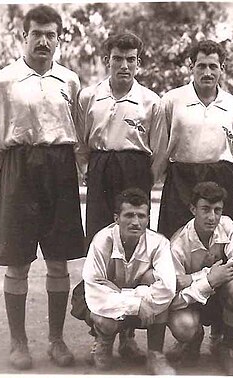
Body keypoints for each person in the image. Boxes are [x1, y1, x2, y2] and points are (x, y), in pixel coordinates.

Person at [0, 5, 84, 370]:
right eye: (36, 34)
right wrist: (12, 171)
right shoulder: (4, 80)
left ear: (59, 39)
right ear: (23, 36)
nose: (43, 41)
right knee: (18, 262)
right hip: (19, 169)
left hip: (59, 169)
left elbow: (80, 132)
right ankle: (18, 342)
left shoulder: (70, 81)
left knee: (58, 262)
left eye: (50, 35)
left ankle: (56, 340)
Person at [76, 32, 167, 247]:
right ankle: (98, 279)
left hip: (135, 169)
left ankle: (135, 280)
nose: (124, 65)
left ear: (138, 62)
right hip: (100, 167)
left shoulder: (151, 101)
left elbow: (160, 149)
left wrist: (147, 179)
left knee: (134, 231)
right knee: (99, 233)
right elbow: (80, 141)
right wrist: (87, 169)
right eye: (118, 59)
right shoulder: (90, 96)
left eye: (130, 59)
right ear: (107, 61)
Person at [82, 188, 176, 374]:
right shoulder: (102, 240)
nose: (135, 222)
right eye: (129, 215)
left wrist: (133, 300)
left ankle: (154, 354)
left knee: (153, 280)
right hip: (103, 300)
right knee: (105, 319)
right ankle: (103, 344)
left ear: (148, 219)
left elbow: (167, 289)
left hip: (132, 297)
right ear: (116, 218)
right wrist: (136, 303)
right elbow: (95, 289)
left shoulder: (159, 243)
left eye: (141, 216)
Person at [158, 40, 233, 239]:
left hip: (220, 176)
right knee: (175, 237)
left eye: (213, 66)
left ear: (222, 68)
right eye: (201, 66)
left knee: (222, 239)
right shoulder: (172, 100)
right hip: (181, 178)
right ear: (191, 67)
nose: (207, 72)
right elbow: (162, 143)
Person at [165, 181, 233, 375]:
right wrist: (210, 278)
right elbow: (174, 296)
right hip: (190, 303)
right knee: (184, 325)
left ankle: (227, 346)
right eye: (205, 209)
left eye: (217, 210)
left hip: (218, 295)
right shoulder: (177, 245)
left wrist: (198, 277)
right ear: (193, 208)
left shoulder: (227, 225)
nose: (212, 217)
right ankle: (192, 341)